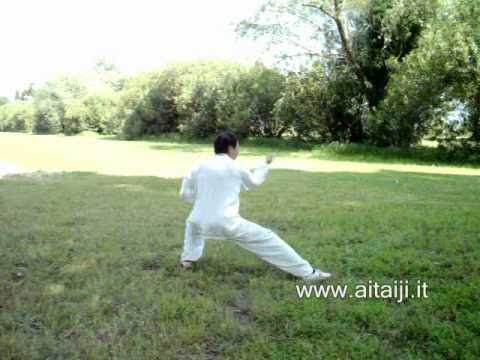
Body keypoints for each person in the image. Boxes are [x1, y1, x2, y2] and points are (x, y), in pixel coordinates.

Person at [179, 132, 331, 281]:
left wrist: (202, 202)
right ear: (231, 148)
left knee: (193, 231)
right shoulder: (235, 167)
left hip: (196, 219)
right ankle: (309, 273)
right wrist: (265, 164)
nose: (238, 150)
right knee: (267, 238)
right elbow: (254, 181)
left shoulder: (197, 166)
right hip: (227, 222)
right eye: (237, 146)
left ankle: (187, 260)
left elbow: (184, 194)